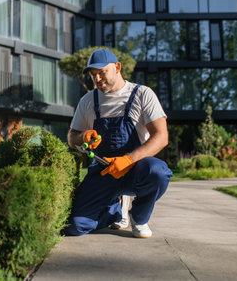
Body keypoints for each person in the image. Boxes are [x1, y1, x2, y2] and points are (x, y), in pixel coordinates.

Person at [65, 49, 173, 238]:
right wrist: (82, 137)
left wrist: (128, 160)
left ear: (117, 67)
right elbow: (71, 136)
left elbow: (161, 136)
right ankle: (114, 211)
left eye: (102, 72)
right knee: (75, 226)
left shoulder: (142, 94)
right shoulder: (88, 101)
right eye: (93, 75)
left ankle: (139, 218)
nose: (97, 79)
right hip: (103, 173)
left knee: (157, 171)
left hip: (135, 170)